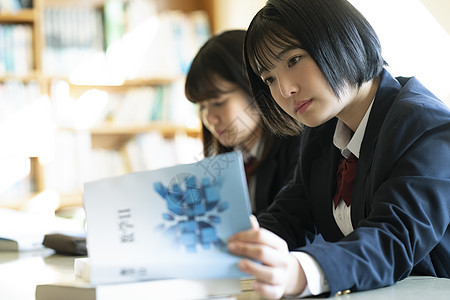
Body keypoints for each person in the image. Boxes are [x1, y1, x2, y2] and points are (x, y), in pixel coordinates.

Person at [227, 0, 450, 299]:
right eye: (269, 78)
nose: (284, 90)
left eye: (293, 60)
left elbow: (393, 238)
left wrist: (300, 272)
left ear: (341, 38)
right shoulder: (322, 132)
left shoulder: (425, 126)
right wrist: (233, 247)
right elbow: (289, 217)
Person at [185, 30, 301, 215]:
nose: (209, 118)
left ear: (254, 88)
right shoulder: (228, 160)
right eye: (202, 106)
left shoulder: (298, 148)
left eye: (218, 102)